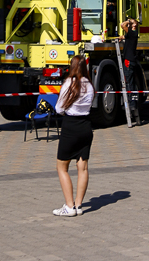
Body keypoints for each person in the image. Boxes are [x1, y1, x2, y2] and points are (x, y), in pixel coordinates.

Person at [53, 55, 94, 217]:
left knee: (62, 167)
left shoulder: (69, 83)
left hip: (70, 126)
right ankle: (78, 204)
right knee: (82, 167)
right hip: (86, 126)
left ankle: (69, 206)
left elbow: (59, 108)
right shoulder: (89, 85)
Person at [120, 17, 140, 109]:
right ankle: (131, 103)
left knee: (128, 82)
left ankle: (130, 104)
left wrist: (128, 21)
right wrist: (119, 38)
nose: (128, 24)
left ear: (134, 25)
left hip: (129, 60)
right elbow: (124, 37)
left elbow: (122, 25)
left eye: (130, 24)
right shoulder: (131, 34)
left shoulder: (133, 33)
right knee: (129, 81)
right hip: (130, 60)